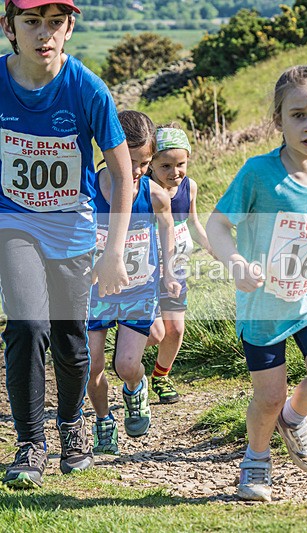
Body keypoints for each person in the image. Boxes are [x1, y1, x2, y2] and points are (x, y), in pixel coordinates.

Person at [0, 0, 133, 489]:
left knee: (70, 341)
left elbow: (122, 173)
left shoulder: (87, 88)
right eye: (32, 22)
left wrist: (114, 250)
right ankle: (30, 441)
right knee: (28, 325)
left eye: (55, 22)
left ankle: (72, 424)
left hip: (72, 230)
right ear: (8, 26)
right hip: (12, 221)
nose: (44, 34)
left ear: (70, 27)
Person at [207, 65, 307, 502]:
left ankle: (295, 417)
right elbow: (216, 226)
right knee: (267, 397)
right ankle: (256, 459)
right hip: (264, 304)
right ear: (279, 120)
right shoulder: (258, 174)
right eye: (298, 115)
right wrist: (234, 262)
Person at [86, 111, 180, 454]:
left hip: (138, 290)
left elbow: (168, 227)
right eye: (132, 161)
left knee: (126, 365)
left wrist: (169, 271)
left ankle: (135, 387)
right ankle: (103, 420)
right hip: (94, 291)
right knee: (92, 364)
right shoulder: (87, 188)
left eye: (145, 162)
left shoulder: (155, 195)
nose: (138, 170)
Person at [145, 124, 210, 404]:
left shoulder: (189, 187)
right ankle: (126, 359)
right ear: (151, 165)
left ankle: (160, 377)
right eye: (165, 166)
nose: (174, 173)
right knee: (151, 331)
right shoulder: (142, 191)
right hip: (146, 272)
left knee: (176, 330)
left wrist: (217, 249)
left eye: (180, 164)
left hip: (177, 269)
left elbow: (194, 223)